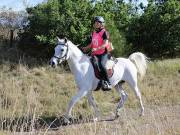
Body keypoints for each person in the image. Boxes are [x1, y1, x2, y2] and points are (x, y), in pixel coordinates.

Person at [82, 16, 112, 90]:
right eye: (95, 22)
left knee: (101, 65)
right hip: (95, 53)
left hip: (104, 53)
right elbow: (92, 44)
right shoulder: (94, 33)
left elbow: (105, 44)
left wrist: (96, 48)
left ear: (101, 24)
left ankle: (108, 82)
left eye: (98, 22)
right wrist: (85, 48)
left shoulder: (104, 32)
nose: (96, 24)